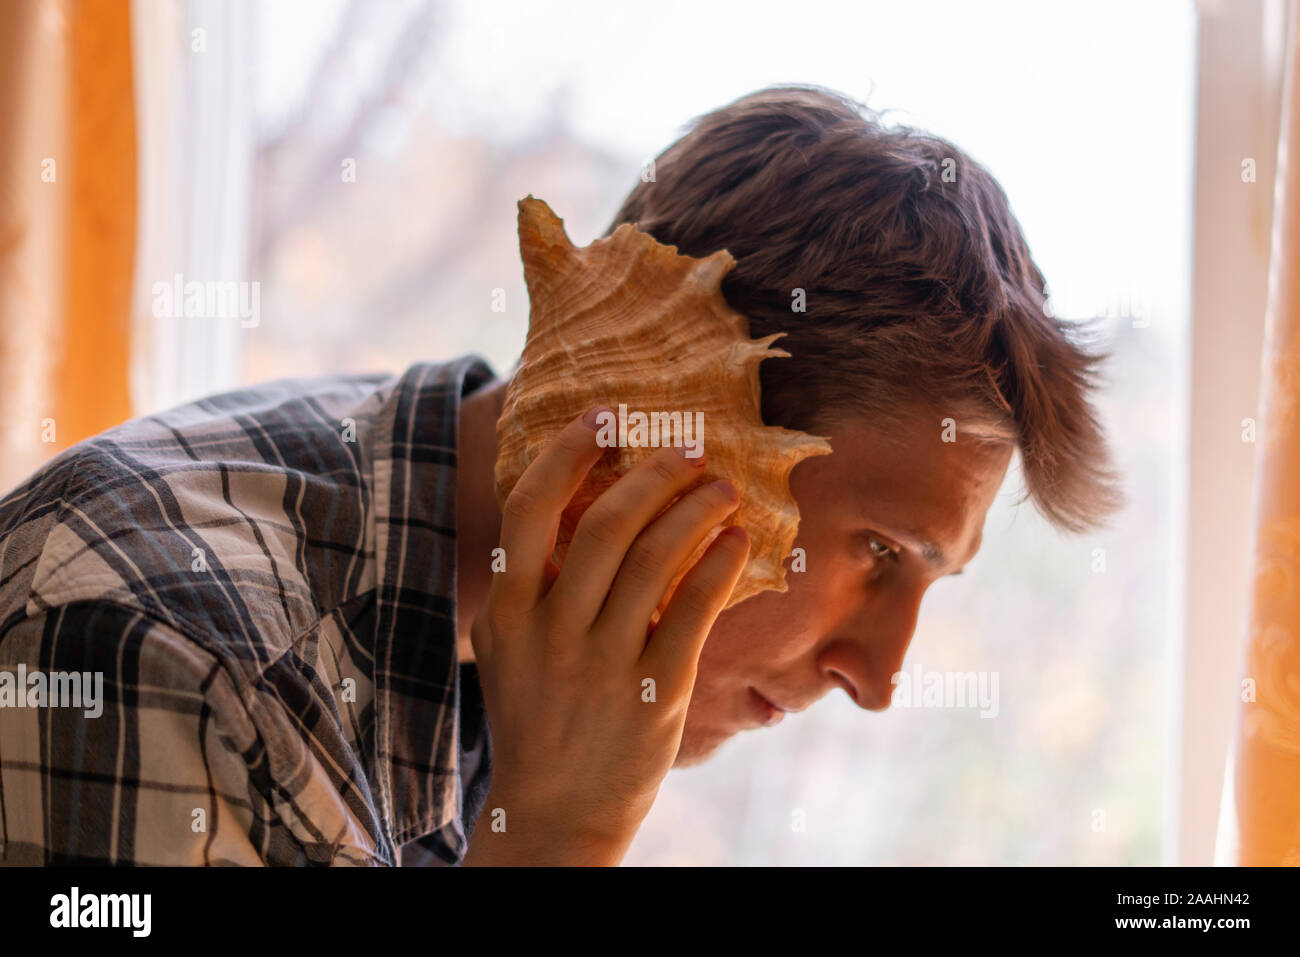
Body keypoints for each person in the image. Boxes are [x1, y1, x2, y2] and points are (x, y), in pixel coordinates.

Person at [0, 85, 1121, 866]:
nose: (877, 679)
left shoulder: (499, 633)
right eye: (878, 554)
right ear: (666, 426)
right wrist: (556, 841)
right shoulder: (151, 654)